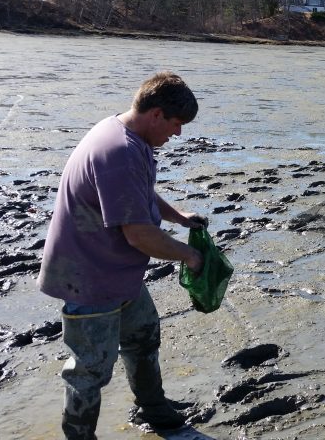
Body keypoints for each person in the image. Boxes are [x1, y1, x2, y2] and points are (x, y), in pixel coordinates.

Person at [37, 71, 207, 439]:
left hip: (118, 271)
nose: (178, 134)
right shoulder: (119, 151)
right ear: (157, 114)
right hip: (89, 277)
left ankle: (155, 410)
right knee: (91, 369)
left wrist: (178, 216)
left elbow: (139, 192)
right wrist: (190, 256)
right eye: (176, 124)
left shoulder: (129, 134)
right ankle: (80, 436)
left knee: (144, 335)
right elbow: (140, 235)